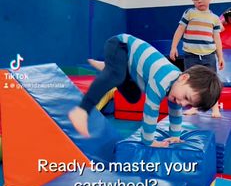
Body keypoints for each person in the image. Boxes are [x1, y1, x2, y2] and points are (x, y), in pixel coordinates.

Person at [69, 34, 222, 147]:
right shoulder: (162, 81)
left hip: (131, 67)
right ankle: (81, 111)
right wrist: (149, 141)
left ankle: (111, 68)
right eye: (186, 97)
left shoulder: (178, 89)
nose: (182, 103)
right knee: (116, 76)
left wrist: (175, 136)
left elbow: (175, 113)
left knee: (134, 97)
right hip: (121, 45)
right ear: (184, 78)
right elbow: (150, 111)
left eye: (188, 103)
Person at [170, 0, 224, 118]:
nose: (199, 1)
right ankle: (193, 107)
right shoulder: (189, 13)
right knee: (191, 83)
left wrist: (220, 56)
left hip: (208, 55)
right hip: (191, 55)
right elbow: (179, 30)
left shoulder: (214, 19)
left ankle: (215, 108)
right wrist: (174, 47)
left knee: (211, 83)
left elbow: (217, 39)